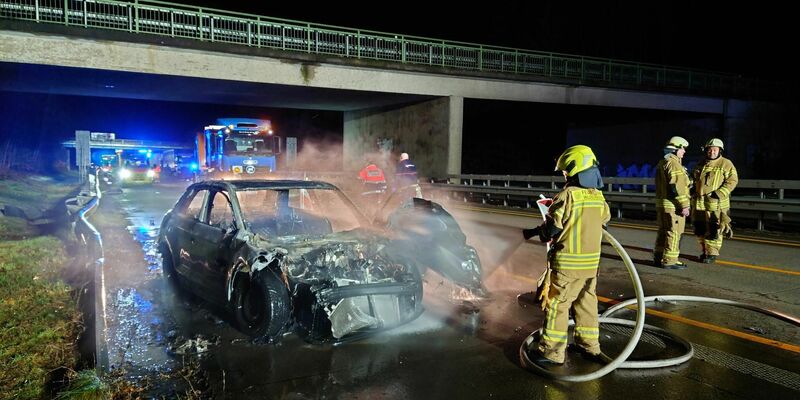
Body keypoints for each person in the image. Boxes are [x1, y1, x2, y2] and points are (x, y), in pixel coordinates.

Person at [522, 145, 611, 367]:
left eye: (565, 171)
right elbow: (605, 220)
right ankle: (589, 346)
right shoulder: (598, 196)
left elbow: (552, 229)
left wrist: (541, 232)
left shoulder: (567, 196)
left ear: (575, 170)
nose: (564, 175)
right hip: (591, 266)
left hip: (568, 265)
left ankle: (551, 353)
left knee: (558, 305)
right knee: (586, 303)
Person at [691, 138, 738, 264]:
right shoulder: (701, 163)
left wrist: (718, 194)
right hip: (699, 204)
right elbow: (693, 179)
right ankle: (704, 251)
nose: (712, 152)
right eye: (710, 149)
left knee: (714, 229)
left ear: (720, 151)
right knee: (700, 228)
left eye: (715, 150)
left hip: (716, 205)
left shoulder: (726, 164)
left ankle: (712, 253)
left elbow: (732, 181)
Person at [653, 136, 691, 269]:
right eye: (683, 149)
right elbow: (677, 187)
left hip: (663, 205)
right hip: (673, 206)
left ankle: (658, 257)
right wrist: (684, 205)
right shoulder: (674, 164)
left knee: (663, 231)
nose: (684, 151)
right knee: (674, 232)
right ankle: (670, 261)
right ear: (676, 149)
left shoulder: (662, 162)